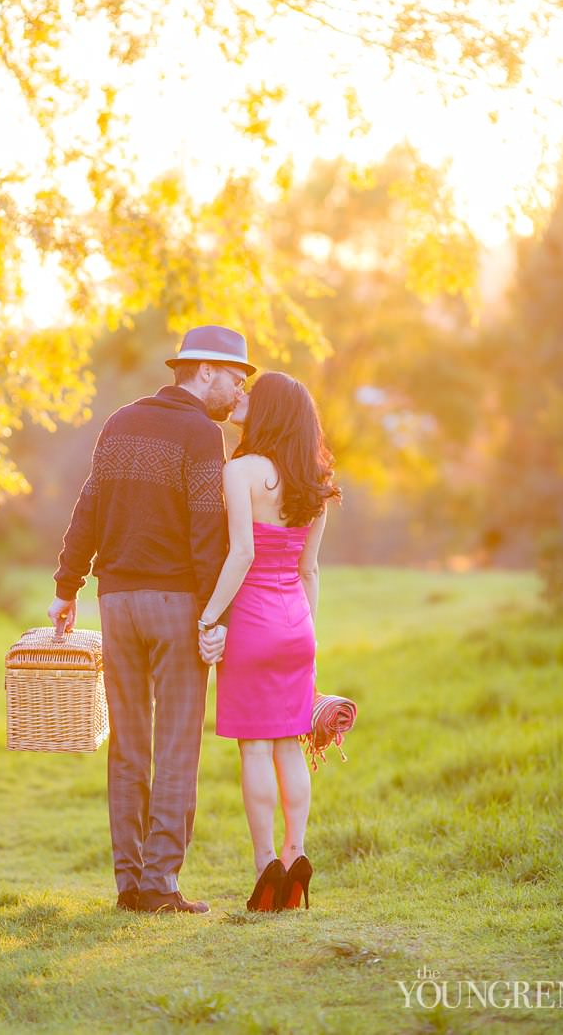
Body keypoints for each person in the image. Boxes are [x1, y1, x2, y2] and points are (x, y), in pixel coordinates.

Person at [48, 325, 255, 914]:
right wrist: (215, 616)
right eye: (234, 379)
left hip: (116, 604)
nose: (236, 393)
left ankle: (128, 885)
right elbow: (206, 530)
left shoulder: (120, 422)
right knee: (177, 746)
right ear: (204, 371)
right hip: (175, 605)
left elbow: (88, 505)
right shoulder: (199, 434)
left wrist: (67, 586)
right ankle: (160, 886)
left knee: (129, 746)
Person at [197, 372, 341, 912]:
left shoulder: (242, 471)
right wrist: (310, 637)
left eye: (253, 395)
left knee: (255, 746)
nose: (243, 397)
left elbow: (242, 555)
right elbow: (310, 570)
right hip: (297, 625)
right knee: (291, 743)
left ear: (271, 410)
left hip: (253, 624)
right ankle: (296, 853)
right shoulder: (315, 480)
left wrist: (210, 618)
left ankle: (266, 868)